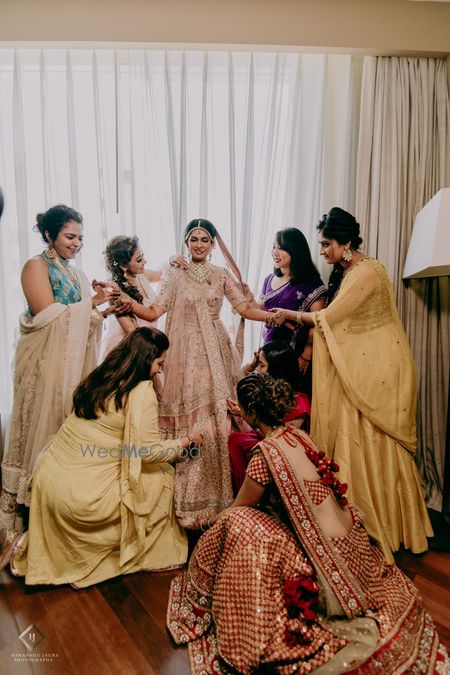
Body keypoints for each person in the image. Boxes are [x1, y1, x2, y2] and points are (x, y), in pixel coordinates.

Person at [167, 374, 449, 674]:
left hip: (320, 561)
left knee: (237, 523)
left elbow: (240, 508)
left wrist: (208, 522)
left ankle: (220, 604)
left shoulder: (265, 455)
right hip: (351, 547)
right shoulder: (297, 435)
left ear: (249, 411)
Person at [272, 207, 433, 563]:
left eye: (327, 244)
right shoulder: (347, 271)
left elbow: (330, 318)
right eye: (321, 244)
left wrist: (289, 315)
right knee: (351, 435)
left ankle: (383, 525)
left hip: (378, 368)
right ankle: (351, 521)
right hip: (356, 364)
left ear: (346, 243)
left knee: (372, 437)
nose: (323, 251)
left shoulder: (368, 271)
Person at [112, 219, 281, 529]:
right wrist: (129, 304)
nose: (200, 244)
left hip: (216, 352)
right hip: (184, 358)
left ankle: (224, 500)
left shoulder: (221, 275)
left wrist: (276, 318)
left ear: (213, 245)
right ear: (186, 243)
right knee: (192, 421)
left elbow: (243, 308)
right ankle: (189, 504)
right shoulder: (175, 272)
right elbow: (154, 312)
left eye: (205, 239)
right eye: (194, 239)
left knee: (220, 419)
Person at [3, 327, 202, 587]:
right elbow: (148, 453)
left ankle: (24, 543)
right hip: (78, 498)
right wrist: (185, 443)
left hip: (47, 480)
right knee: (163, 477)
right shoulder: (142, 393)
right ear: (145, 360)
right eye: (159, 363)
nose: (160, 370)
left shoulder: (102, 375)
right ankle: (129, 550)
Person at [0, 204, 114, 538]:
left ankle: (58, 507)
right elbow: (48, 316)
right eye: (70, 236)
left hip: (71, 366)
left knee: (66, 425)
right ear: (50, 235)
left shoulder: (75, 273)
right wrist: (93, 303)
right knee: (40, 423)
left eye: (80, 237)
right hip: (42, 365)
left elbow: (77, 320)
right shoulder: (35, 266)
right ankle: (25, 511)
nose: (77, 243)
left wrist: (103, 310)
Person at [227, 340, 311, 494]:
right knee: (236, 439)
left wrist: (246, 416)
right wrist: (242, 413)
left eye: (262, 365)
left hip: (281, 448)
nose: (257, 370)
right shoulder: (269, 392)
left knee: (238, 441)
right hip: (266, 437)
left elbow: (283, 439)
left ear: (278, 370)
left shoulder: (300, 402)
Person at [257, 227, 326, 389]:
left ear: (295, 250)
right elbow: (260, 309)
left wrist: (306, 356)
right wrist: (244, 296)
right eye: (274, 247)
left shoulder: (311, 283)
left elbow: (318, 322)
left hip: (295, 355)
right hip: (270, 352)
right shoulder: (269, 279)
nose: (275, 252)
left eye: (281, 248)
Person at [100, 235, 161, 359]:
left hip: (150, 342)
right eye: (139, 260)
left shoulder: (142, 274)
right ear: (123, 265)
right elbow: (131, 331)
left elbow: (165, 274)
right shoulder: (114, 289)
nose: (145, 261)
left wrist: (173, 258)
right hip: (131, 349)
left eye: (143, 255)